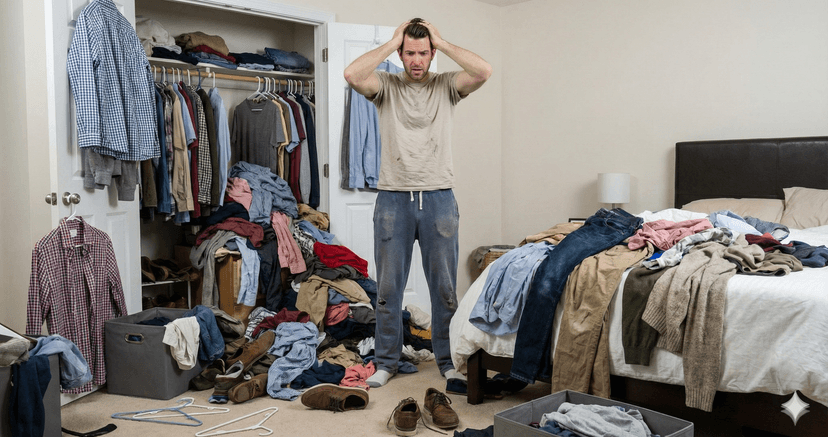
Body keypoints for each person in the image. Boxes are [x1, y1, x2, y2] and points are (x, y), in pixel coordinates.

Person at [344, 18, 492, 387]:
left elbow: (484, 70)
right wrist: (392, 40)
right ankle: (386, 362)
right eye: (409, 52)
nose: (416, 60)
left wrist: (441, 42)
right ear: (400, 53)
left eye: (423, 53)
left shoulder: (446, 85)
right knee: (389, 289)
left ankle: (448, 361)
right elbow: (351, 74)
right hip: (393, 199)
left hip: (439, 197)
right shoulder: (387, 85)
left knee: (443, 288)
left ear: (431, 54)